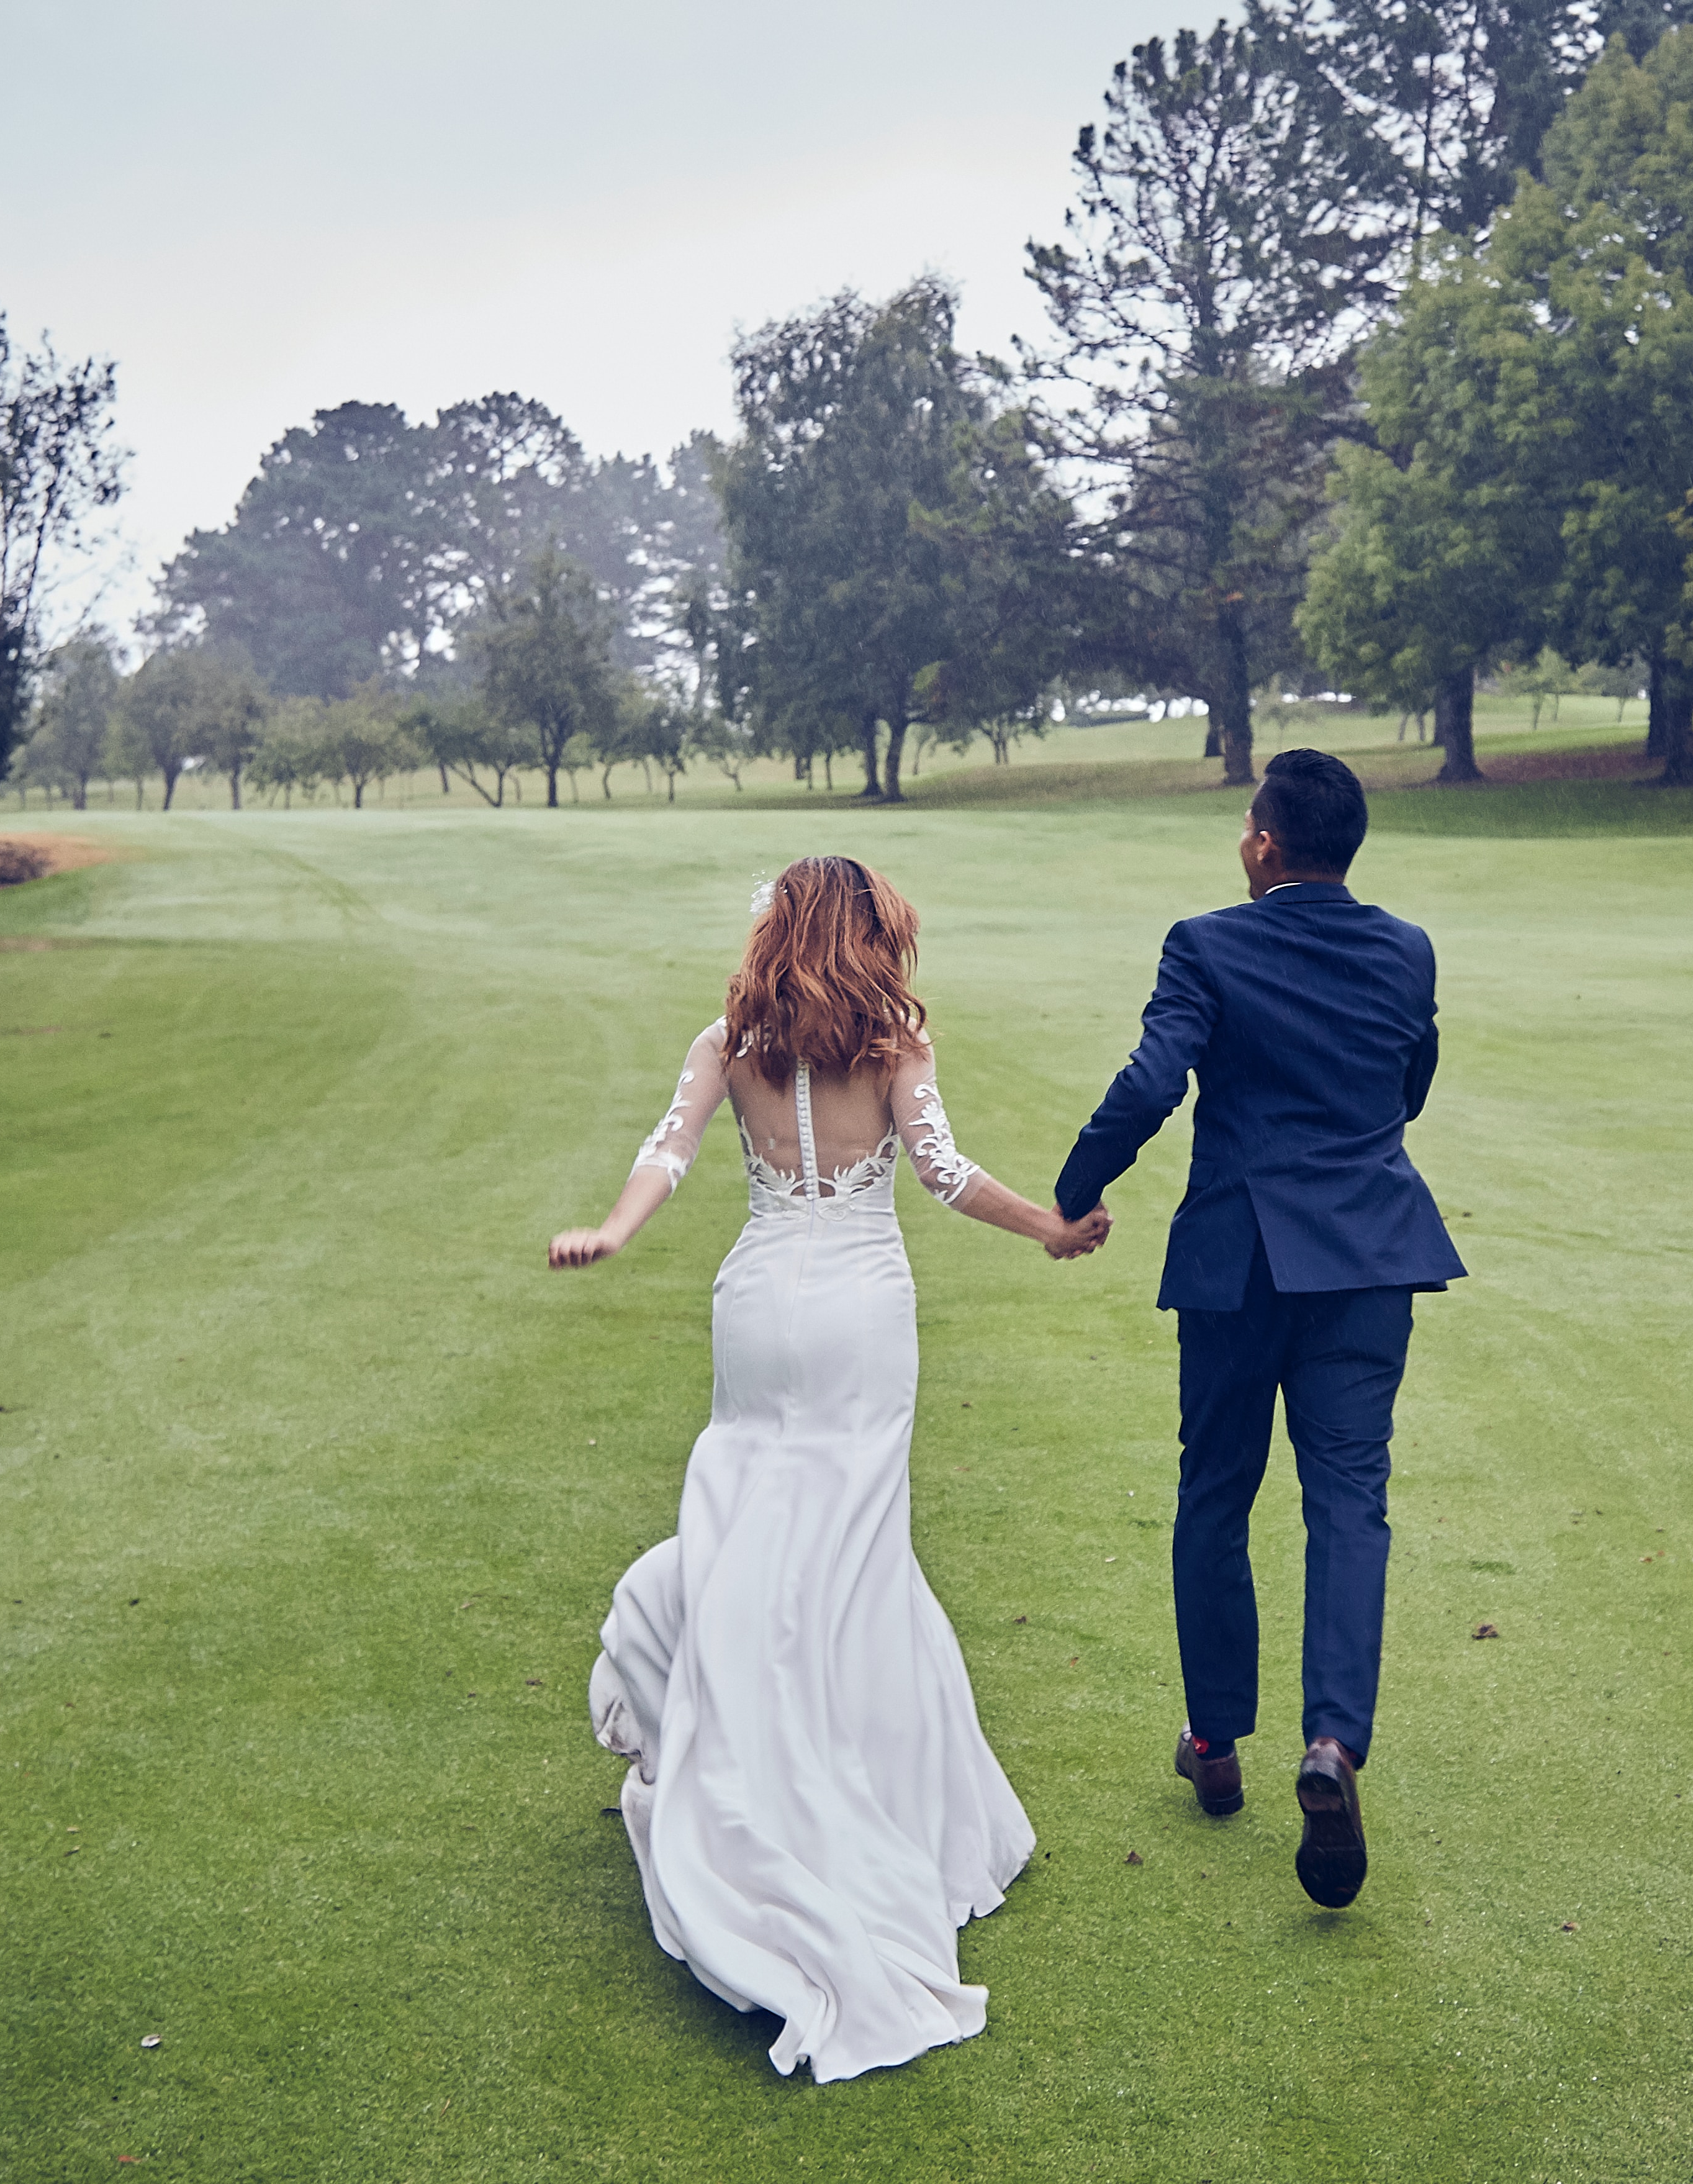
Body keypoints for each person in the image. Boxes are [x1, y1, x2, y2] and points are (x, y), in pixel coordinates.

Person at [553, 856, 1109, 2083]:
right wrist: (1054, 1228)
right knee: (851, 1557)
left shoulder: (727, 1041)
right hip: (861, 1307)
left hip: (756, 1302)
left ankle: (723, 1725)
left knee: (752, 1525)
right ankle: (844, 1793)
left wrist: (612, 1231)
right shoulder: (893, 1042)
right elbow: (946, 1175)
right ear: (869, 936)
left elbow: (667, 1152)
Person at [1053, 748, 1464, 1908]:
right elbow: (1409, 1079)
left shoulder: (1208, 942)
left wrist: (1076, 1191)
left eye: (1247, 824)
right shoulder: (1405, 948)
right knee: (1349, 1501)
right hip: (1370, 1256)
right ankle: (1331, 1743)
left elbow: (1150, 1083)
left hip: (1240, 1260)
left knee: (1216, 1493)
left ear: (1267, 845)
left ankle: (1216, 1741)